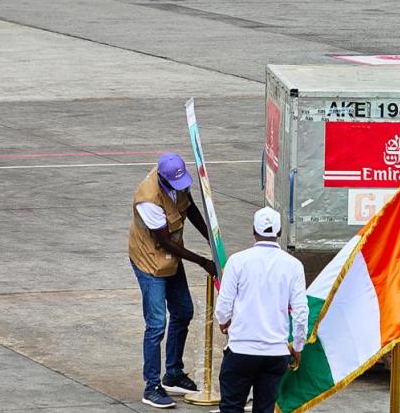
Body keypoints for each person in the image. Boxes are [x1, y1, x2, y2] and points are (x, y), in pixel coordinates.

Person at [130, 152, 217, 409]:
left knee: (183, 311)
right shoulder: (148, 200)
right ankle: (151, 386)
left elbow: (189, 209)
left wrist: (212, 239)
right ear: (163, 179)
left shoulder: (177, 182)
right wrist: (203, 261)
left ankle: (173, 374)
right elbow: (164, 241)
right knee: (156, 324)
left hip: (172, 257)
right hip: (150, 262)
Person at [214, 207, 308, 413]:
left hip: (240, 350)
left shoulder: (237, 261)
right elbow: (301, 313)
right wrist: (298, 346)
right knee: (265, 409)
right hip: (276, 353)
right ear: (280, 232)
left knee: (231, 406)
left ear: (253, 231)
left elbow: (223, 306)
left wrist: (224, 321)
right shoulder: (294, 265)